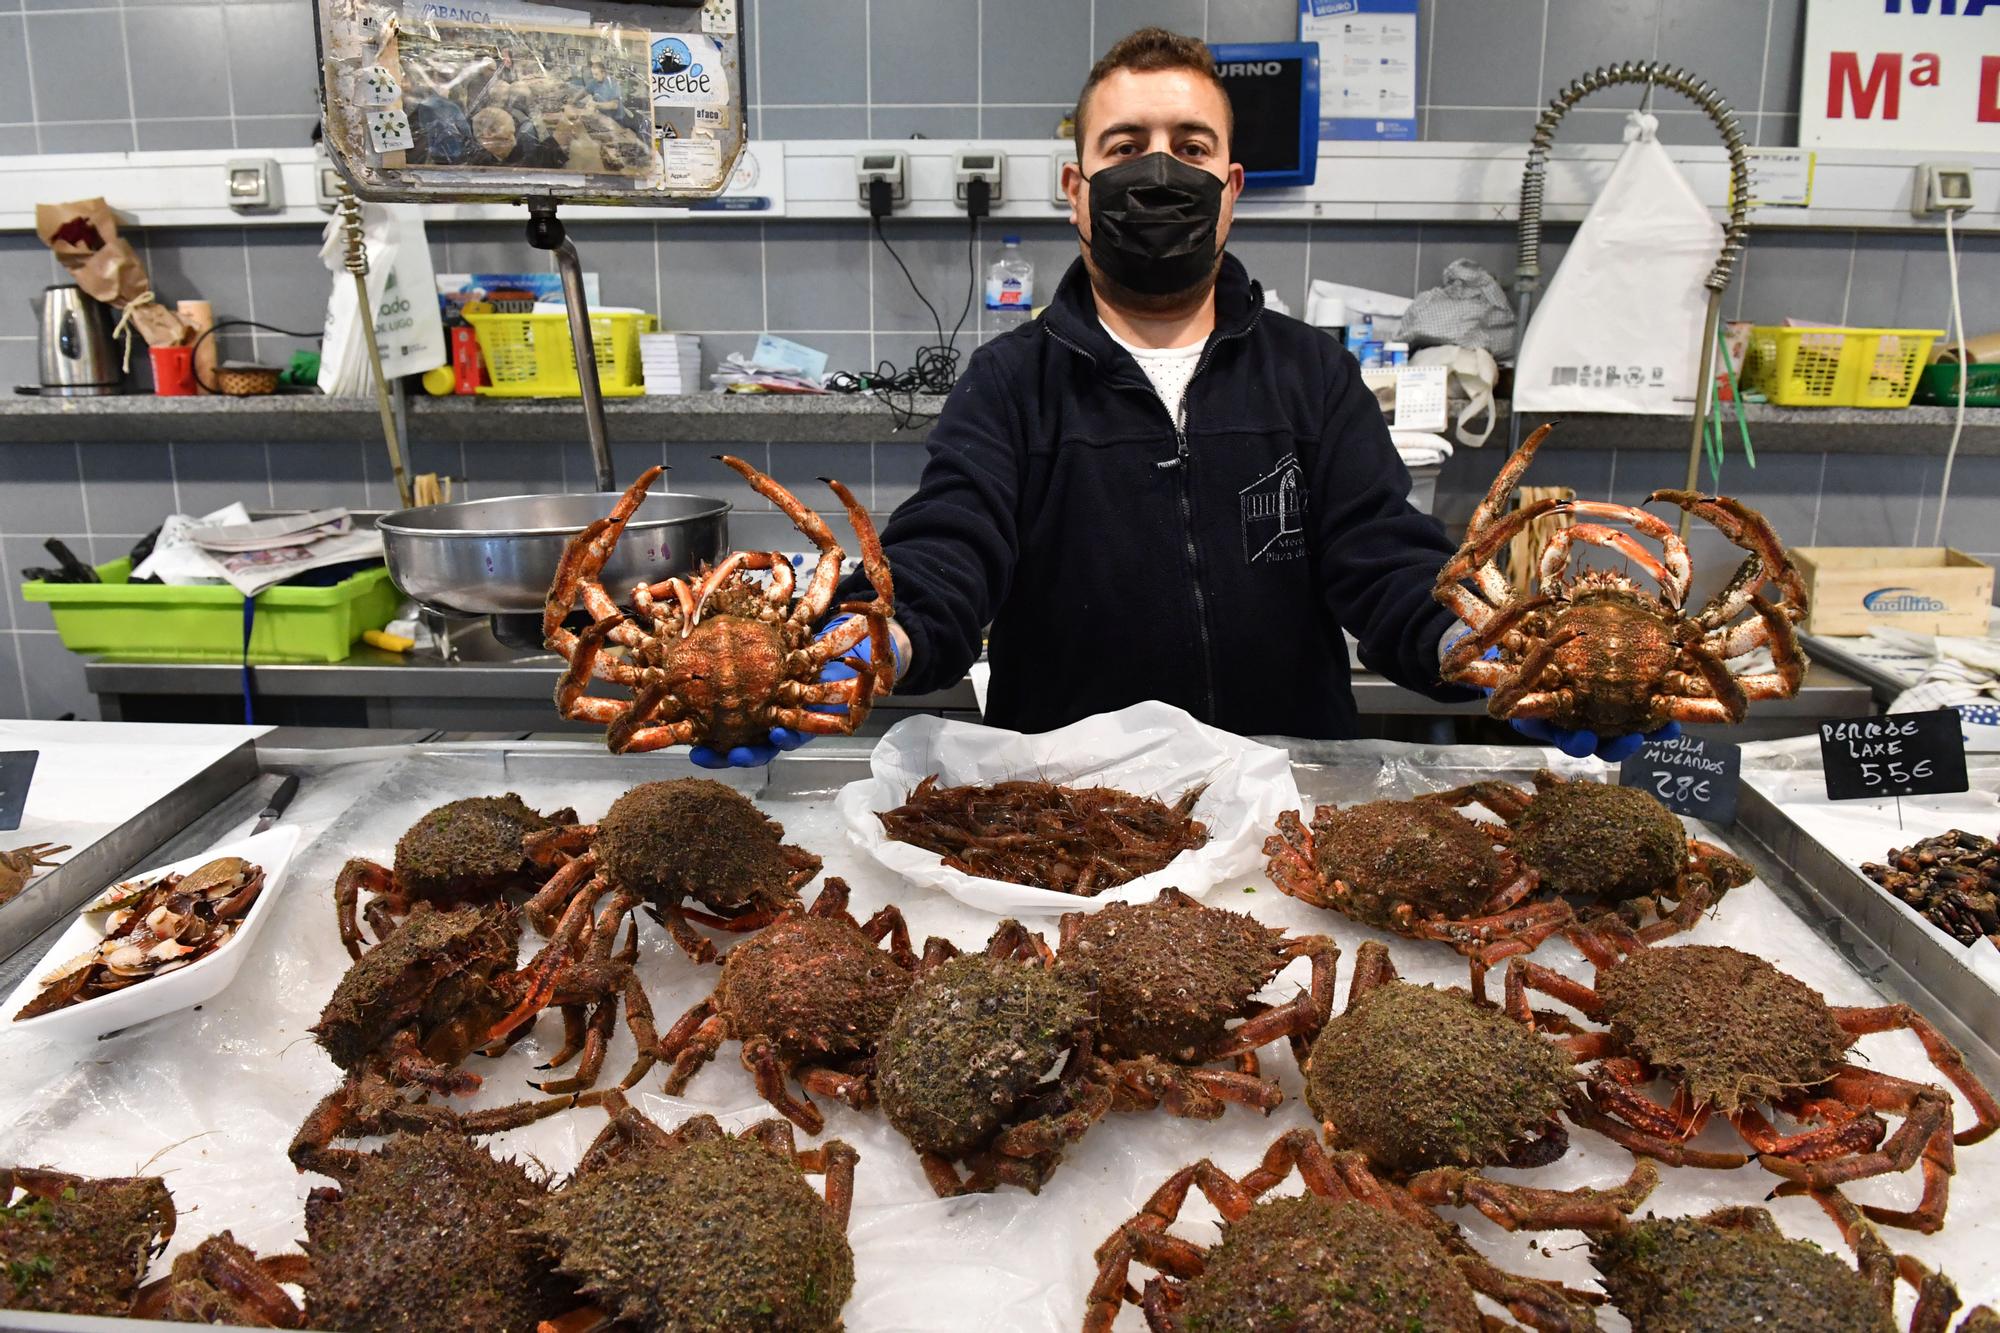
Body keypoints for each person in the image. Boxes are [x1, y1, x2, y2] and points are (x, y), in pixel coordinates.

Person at [690, 27, 1669, 768]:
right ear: (1075, 189)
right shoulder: (1008, 384)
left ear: (1230, 186)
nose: (1156, 170)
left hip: (1287, 796)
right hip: (1062, 811)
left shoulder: (1311, 375)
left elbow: (1383, 562)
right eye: (1125, 146)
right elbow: (949, 551)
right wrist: (871, 642)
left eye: (1188, 146)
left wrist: (1477, 640)